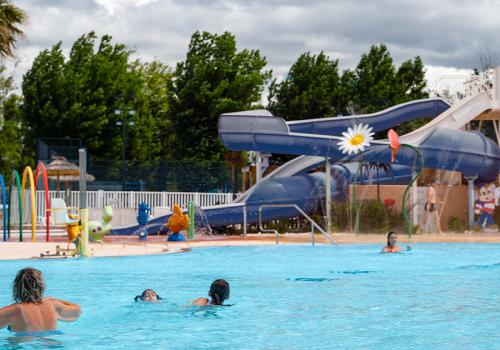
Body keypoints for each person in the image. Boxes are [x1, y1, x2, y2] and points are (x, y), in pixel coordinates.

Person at [0, 268, 81, 333]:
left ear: (16, 288)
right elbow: (77, 311)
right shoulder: (52, 304)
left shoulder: (15, 310)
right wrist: (54, 300)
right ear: (41, 286)